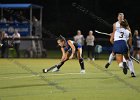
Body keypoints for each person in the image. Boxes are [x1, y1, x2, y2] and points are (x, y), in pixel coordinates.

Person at [105, 13, 136, 77]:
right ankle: (131, 71)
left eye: (122, 17)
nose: (121, 18)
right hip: (123, 43)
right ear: (118, 17)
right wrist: (129, 46)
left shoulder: (117, 30)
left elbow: (112, 38)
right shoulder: (126, 29)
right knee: (128, 57)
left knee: (114, 52)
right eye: (120, 17)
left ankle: (110, 62)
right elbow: (129, 36)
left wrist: (113, 36)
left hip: (117, 43)